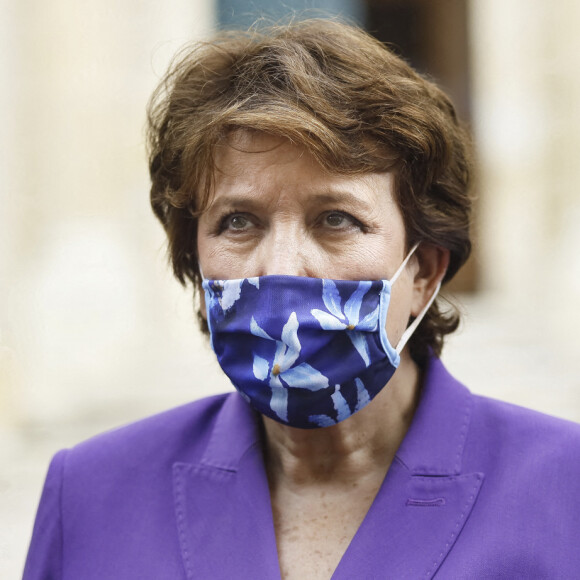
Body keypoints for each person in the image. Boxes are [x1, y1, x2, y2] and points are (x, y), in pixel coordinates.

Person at [23, 19, 580, 579]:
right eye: (238, 221)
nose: (282, 266)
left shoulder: (564, 491)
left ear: (424, 272)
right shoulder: (91, 496)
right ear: (195, 260)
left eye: (336, 219)